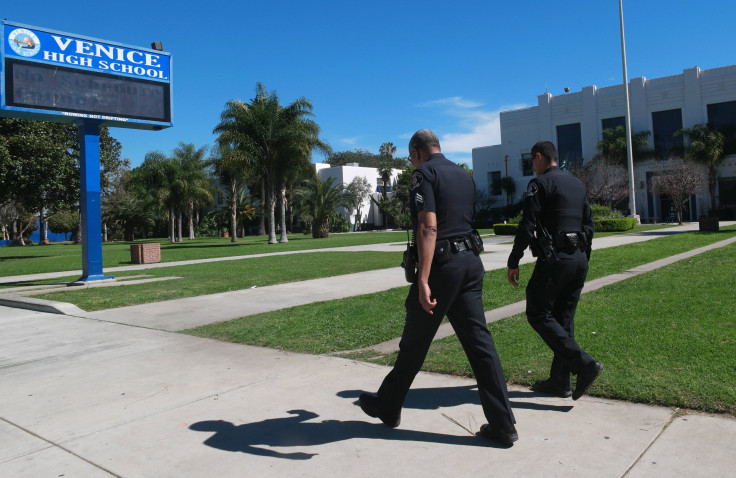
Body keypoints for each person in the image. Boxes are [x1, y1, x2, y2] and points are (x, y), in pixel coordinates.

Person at [359, 129, 518, 446]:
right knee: (480, 346)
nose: (412, 162)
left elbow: (428, 225)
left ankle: (388, 406)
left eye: (410, 157)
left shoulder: (423, 175)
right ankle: (503, 424)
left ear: (416, 152)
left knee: (414, 343)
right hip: (471, 263)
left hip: (443, 269)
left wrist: (422, 278)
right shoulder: (463, 174)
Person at [507, 141, 602, 401]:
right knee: (564, 318)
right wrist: (584, 258)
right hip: (579, 259)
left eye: (531, 161)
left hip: (555, 259)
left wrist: (513, 261)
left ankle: (584, 364)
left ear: (538, 156)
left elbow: (527, 226)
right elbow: (589, 226)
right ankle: (560, 382)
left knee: (537, 311)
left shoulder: (539, 184)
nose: (532, 166)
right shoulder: (577, 184)